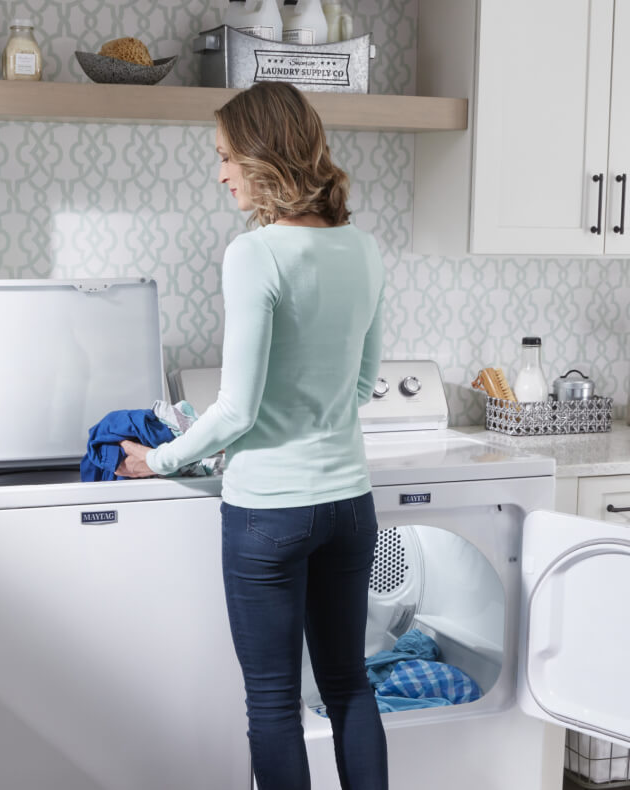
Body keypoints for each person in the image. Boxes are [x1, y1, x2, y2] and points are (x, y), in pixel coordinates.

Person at [116, 81, 388, 790]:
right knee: (349, 687)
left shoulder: (255, 253)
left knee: (273, 704)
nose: (221, 173)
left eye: (226, 156)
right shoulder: (364, 249)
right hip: (350, 505)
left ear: (264, 156)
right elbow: (359, 389)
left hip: (270, 512)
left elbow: (236, 409)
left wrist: (162, 459)